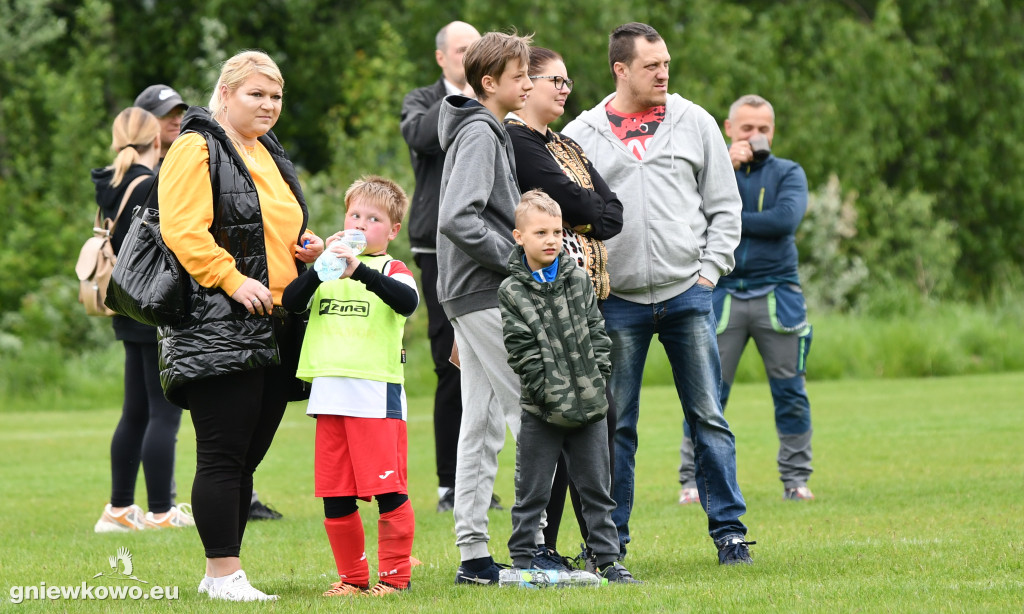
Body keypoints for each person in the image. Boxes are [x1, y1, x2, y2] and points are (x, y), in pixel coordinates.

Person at [563, 22, 754, 565]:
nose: (663, 72)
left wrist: (709, 273)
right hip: (617, 302)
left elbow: (725, 207)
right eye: (651, 66)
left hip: (688, 293)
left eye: (666, 62)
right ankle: (610, 544)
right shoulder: (581, 133)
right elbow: (566, 220)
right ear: (620, 69)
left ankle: (730, 533)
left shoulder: (695, 121)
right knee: (616, 427)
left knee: (708, 417)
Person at [158, 50, 324, 601]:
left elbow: (268, 227)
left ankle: (223, 576)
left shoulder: (267, 150)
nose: (269, 105)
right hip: (218, 320)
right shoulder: (195, 146)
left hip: (276, 320)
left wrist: (305, 249)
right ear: (225, 94)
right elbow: (184, 230)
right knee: (223, 455)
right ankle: (223, 573)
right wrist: (230, 280)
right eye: (256, 94)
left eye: (276, 96)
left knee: (247, 455)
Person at [503, 46, 623, 564]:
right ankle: (540, 547)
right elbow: (573, 202)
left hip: (585, 300)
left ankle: (602, 547)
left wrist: (584, 211)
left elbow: (612, 214)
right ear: (526, 82)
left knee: (598, 431)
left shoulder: (565, 143)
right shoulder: (516, 140)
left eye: (569, 81)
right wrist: (580, 211)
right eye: (556, 80)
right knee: (547, 437)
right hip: (542, 305)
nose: (565, 89)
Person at [282, 176, 418, 597]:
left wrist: (358, 271)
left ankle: (395, 578)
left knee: (388, 490)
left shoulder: (391, 269)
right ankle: (352, 579)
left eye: (373, 219)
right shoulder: (328, 269)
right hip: (330, 398)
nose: (360, 224)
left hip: (375, 398)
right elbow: (291, 301)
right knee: (336, 495)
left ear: (392, 230)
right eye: (354, 215)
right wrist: (321, 266)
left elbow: (407, 302)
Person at [678, 94, 814, 504]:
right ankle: (692, 481)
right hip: (721, 293)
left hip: (779, 295)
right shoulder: (708, 168)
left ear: (773, 131)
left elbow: (785, 220)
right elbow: (692, 217)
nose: (756, 135)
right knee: (706, 394)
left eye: (764, 129)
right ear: (729, 128)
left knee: (790, 393)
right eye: (748, 128)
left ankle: (796, 480)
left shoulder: (789, 172)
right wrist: (728, 167)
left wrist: (727, 220)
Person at [499, 190, 639, 584]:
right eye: (540, 232)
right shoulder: (511, 290)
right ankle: (524, 561)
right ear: (519, 237)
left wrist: (597, 378)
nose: (551, 240)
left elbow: (597, 332)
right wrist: (548, 395)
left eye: (557, 232)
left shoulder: (578, 279)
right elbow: (520, 350)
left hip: (590, 406)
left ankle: (608, 560)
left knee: (597, 489)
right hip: (541, 411)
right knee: (532, 491)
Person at [436, 30, 534, 584]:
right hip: (483, 291)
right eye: (520, 76)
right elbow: (458, 217)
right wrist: (517, 260)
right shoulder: (479, 132)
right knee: (531, 410)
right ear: (490, 82)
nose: (529, 84)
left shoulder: (486, 129)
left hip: (471, 293)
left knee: (481, 424)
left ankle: (474, 556)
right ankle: (534, 545)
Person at [400, 21, 497, 513]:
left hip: (488, 244)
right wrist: (469, 98)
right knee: (450, 364)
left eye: (476, 50)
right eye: (461, 50)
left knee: (491, 367)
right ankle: (448, 485)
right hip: (438, 249)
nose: (468, 56)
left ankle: (480, 482)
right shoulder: (424, 100)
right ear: (442, 57)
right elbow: (421, 136)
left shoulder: (496, 103)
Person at [91, 107, 193, 533]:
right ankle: (161, 511)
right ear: (156, 141)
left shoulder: (110, 183)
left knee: (134, 412)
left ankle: (118, 509)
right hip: (151, 304)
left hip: (122, 303)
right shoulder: (151, 183)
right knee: (164, 413)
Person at [133, 84, 187, 167]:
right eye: (167, 114)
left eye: (179, 113)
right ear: (143, 122)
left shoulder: (195, 162)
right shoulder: (134, 171)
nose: (177, 122)